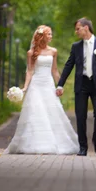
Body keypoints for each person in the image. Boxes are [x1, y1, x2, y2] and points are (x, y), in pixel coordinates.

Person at [5, 25, 78, 155]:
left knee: (51, 111)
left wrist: (60, 85)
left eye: (51, 34)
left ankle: (55, 143)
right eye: (49, 34)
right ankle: (35, 144)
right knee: (36, 112)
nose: (51, 36)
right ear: (42, 36)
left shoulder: (53, 51)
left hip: (48, 84)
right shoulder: (31, 53)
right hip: (36, 85)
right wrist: (26, 87)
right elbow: (30, 70)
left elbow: (54, 70)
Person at [56, 18, 96, 156]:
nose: (76, 32)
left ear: (86, 27)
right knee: (80, 116)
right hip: (81, 84)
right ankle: (83, 147)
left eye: (78, 29)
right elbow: (69, 65)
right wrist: (60, 84)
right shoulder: (76, 47)